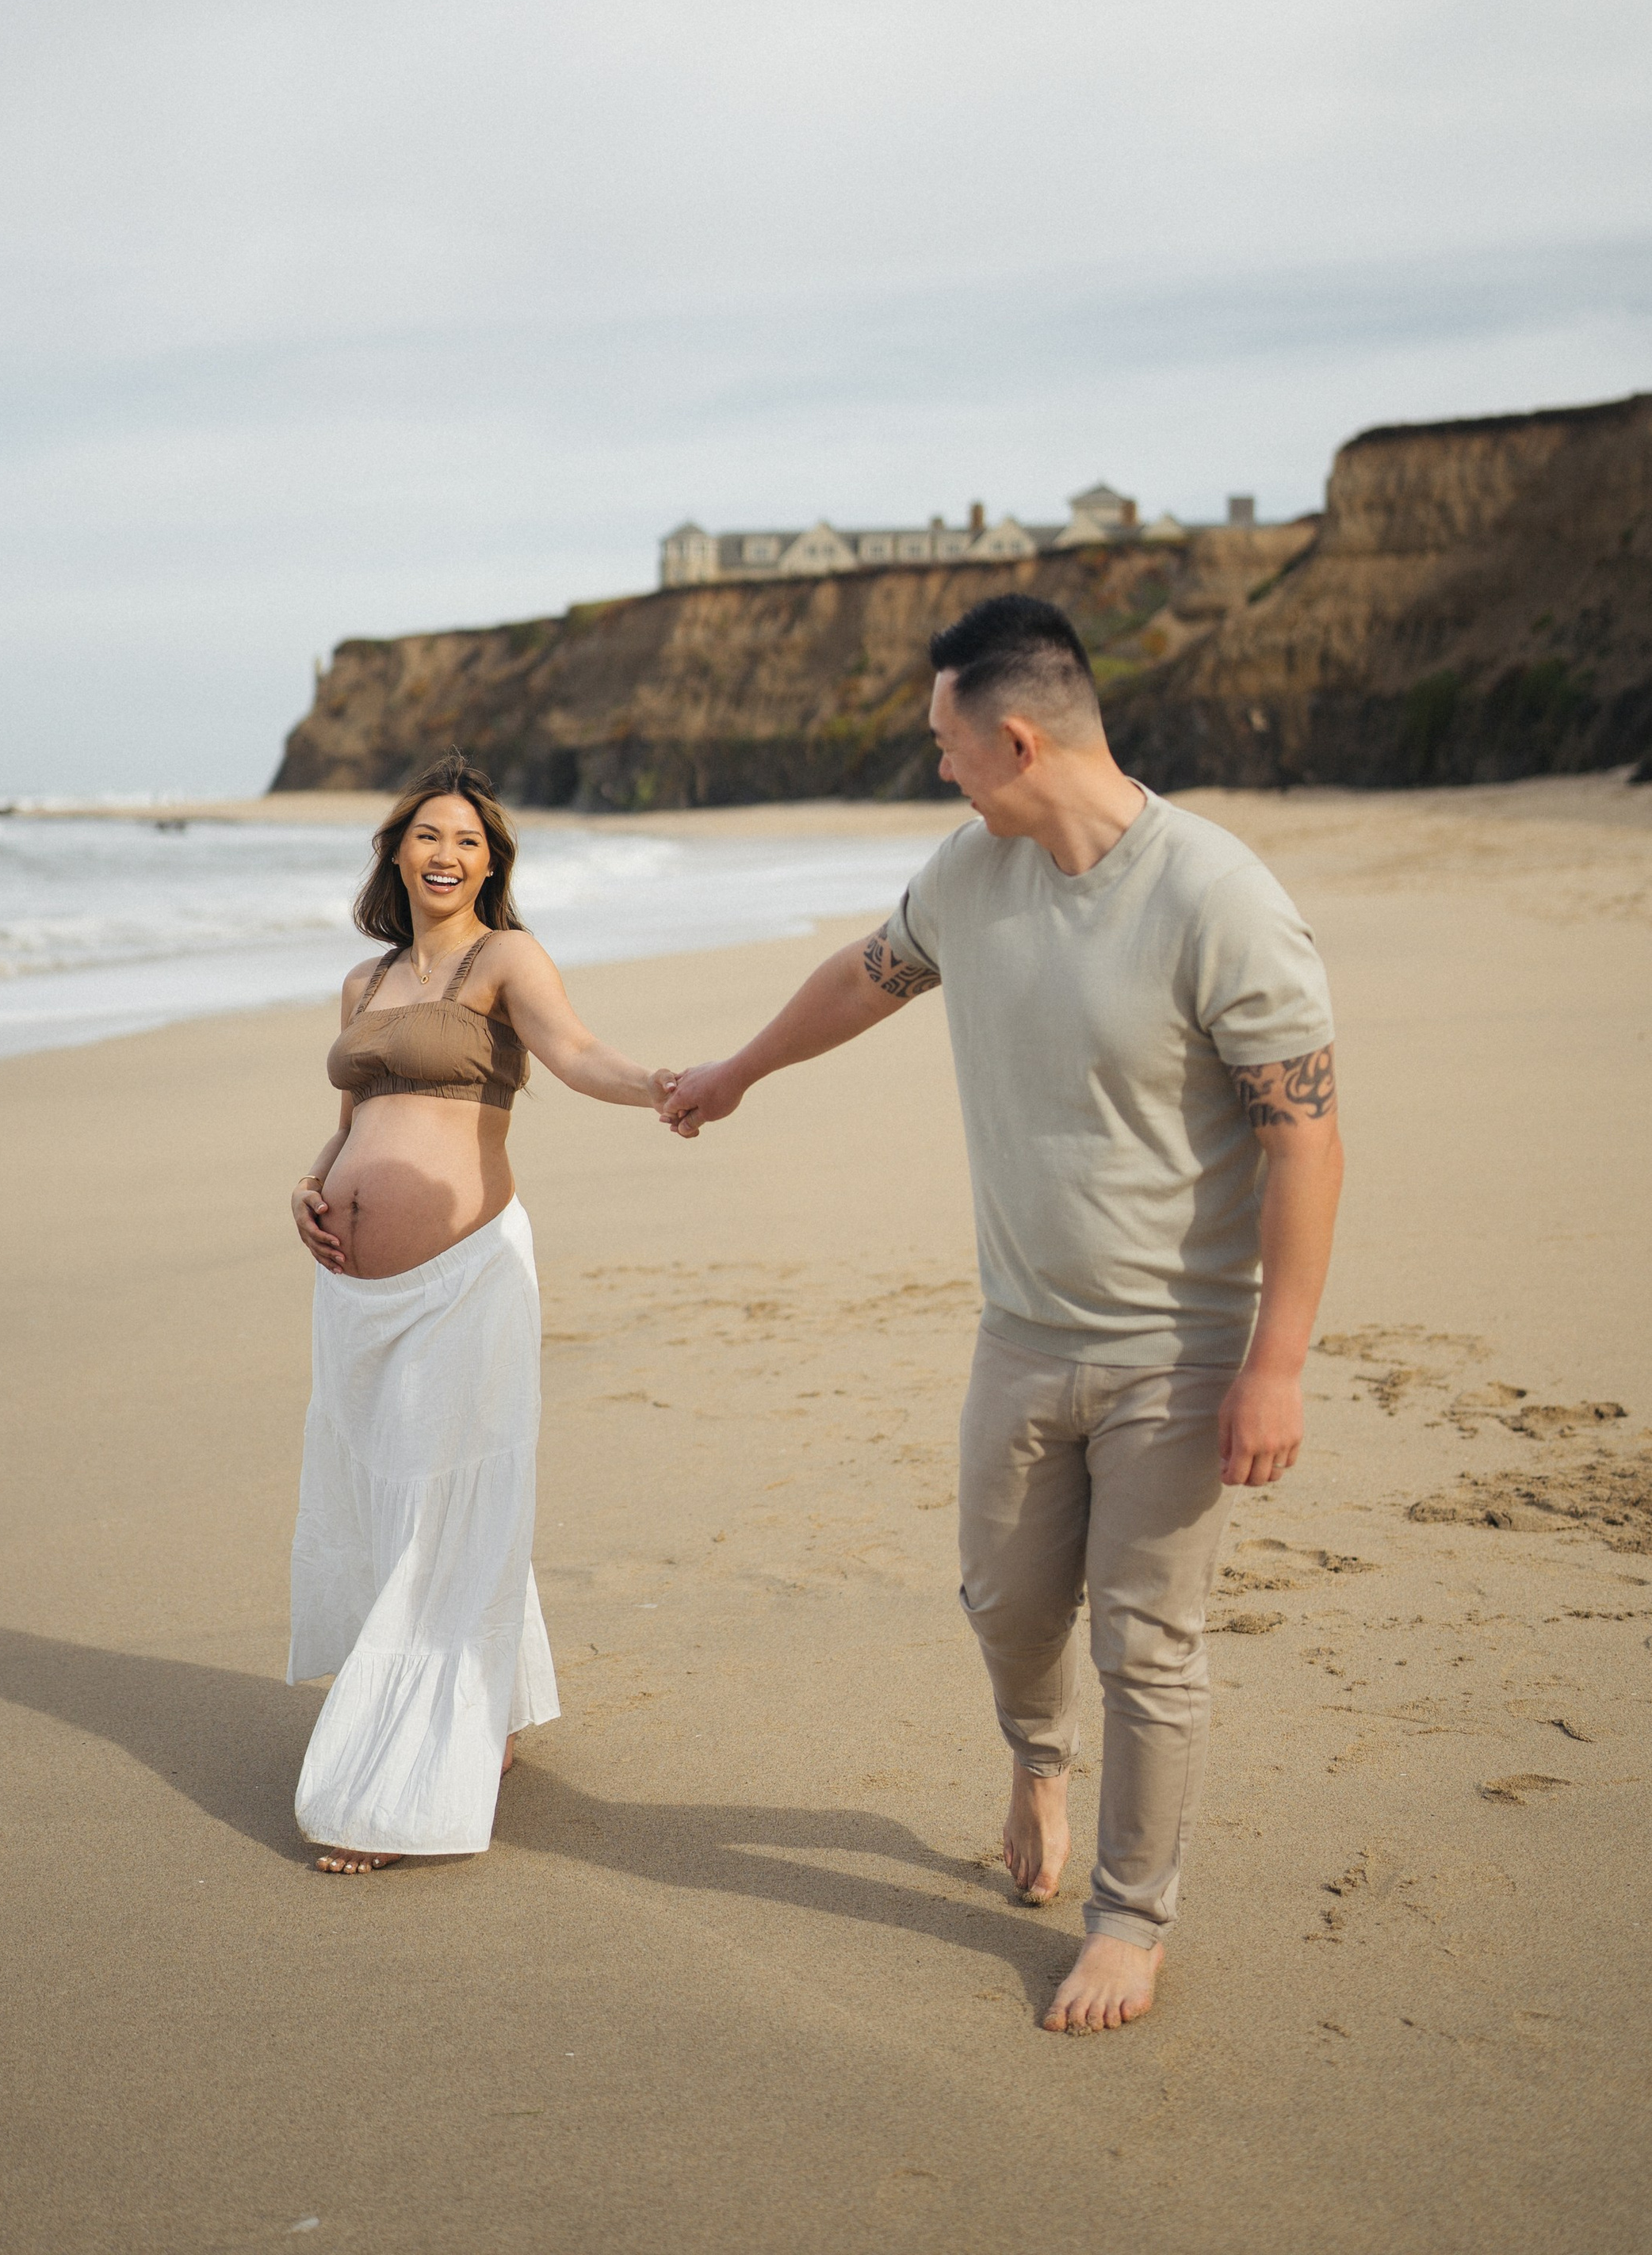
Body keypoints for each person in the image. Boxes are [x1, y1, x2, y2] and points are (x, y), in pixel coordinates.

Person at [662, 594, 1342, 2032]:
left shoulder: (1216, 895)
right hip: (1020, 1335)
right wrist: (739, 1069)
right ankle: (1040, 1755)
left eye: (945, 743)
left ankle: (1130, 1920)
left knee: (1148, 1642)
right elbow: (869, 973)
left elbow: (1306, 1138)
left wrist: (1277, 1362)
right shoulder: (974, 872)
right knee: (1006, 1600)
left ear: (1016, 734)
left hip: (1179, 1349)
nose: (939, 767)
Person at [288, 754, 675, 1874]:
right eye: (429, 836)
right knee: (391, 1496)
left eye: (468, 840)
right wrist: (311, 1182)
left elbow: (576, 1051)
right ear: (397, 853)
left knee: (436, 1499)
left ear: (490, 861)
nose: (447, 854)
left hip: (464, 1277)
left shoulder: (506, 958)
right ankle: (492, 1700)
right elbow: (355, 1110)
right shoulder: (363, 985)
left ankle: (399, 1781)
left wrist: (657, 1083)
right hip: (353, 1293)